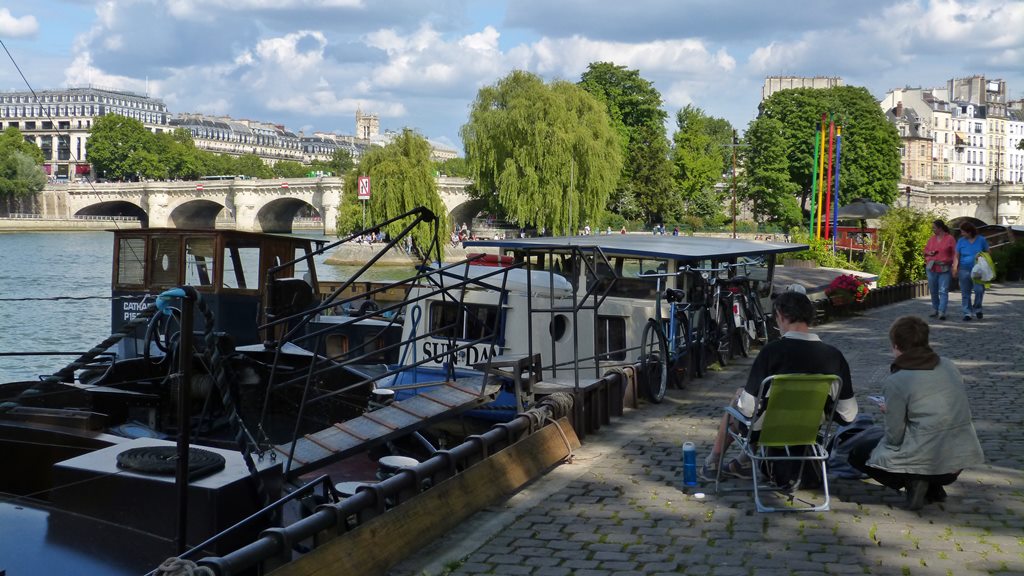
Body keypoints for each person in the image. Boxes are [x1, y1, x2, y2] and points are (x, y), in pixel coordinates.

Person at [700, 291, 858, 480]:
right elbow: (848, 414)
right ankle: (743, 462)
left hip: (766, 431)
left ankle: (714, 462)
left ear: (781, 316)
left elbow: (748, 408)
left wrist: (741, 398)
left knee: (739, 399)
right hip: (808, 431)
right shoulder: (834, 356)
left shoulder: (771, 352)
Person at [848, 316, 984, 510]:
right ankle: (932, 487)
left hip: (925, 460)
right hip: (958, 458)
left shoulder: (896, 380)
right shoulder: (948, 365)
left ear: (896, 346)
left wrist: (892, 413)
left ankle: (915, 480)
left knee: (858, 452)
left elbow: (895, 435)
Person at [952, 222, 989, 321]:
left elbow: (988, 253)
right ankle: (967, 312)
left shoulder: (981, 240)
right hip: (964, 269)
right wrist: (955, 268)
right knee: (965, 293)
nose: (962, 234)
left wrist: (984, 259)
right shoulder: (961, 241)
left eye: (963, 232)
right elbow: (957, 255)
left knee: (979, 290)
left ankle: (978, 308)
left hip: (978, 270)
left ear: (969, 232)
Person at [924, 219, 955, 320]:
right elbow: (925, 251)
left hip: (944, 268)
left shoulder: (950, 239)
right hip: (932, 267)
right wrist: (930, 253)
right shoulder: (932, 239)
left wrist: (954, 265)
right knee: (933, 290)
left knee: (943, 290)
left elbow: (955, 253)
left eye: (934, 228)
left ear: (940, 228)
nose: (933, 230)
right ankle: (935, 308)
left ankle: (942, 311)